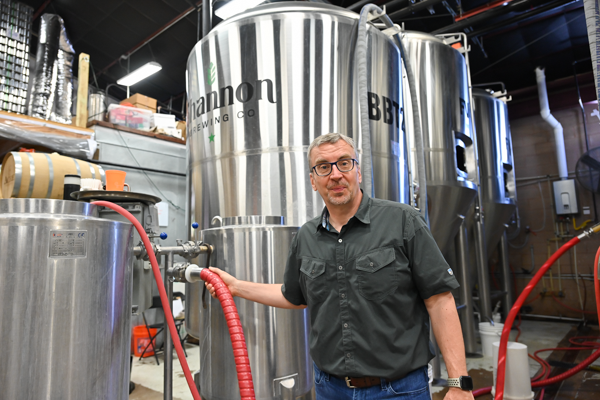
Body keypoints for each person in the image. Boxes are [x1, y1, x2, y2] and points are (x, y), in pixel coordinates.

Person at [205, 133, 475, 400]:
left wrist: (458, 383)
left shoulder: (403, 221)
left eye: (344, 163)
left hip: (398, 389)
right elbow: (294, 296)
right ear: (313, 180)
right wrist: (236, 286)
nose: (335, 175)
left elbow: (439, 300)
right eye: (323, 167)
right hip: (329, 389)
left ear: (358, 171)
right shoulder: (306, 237)